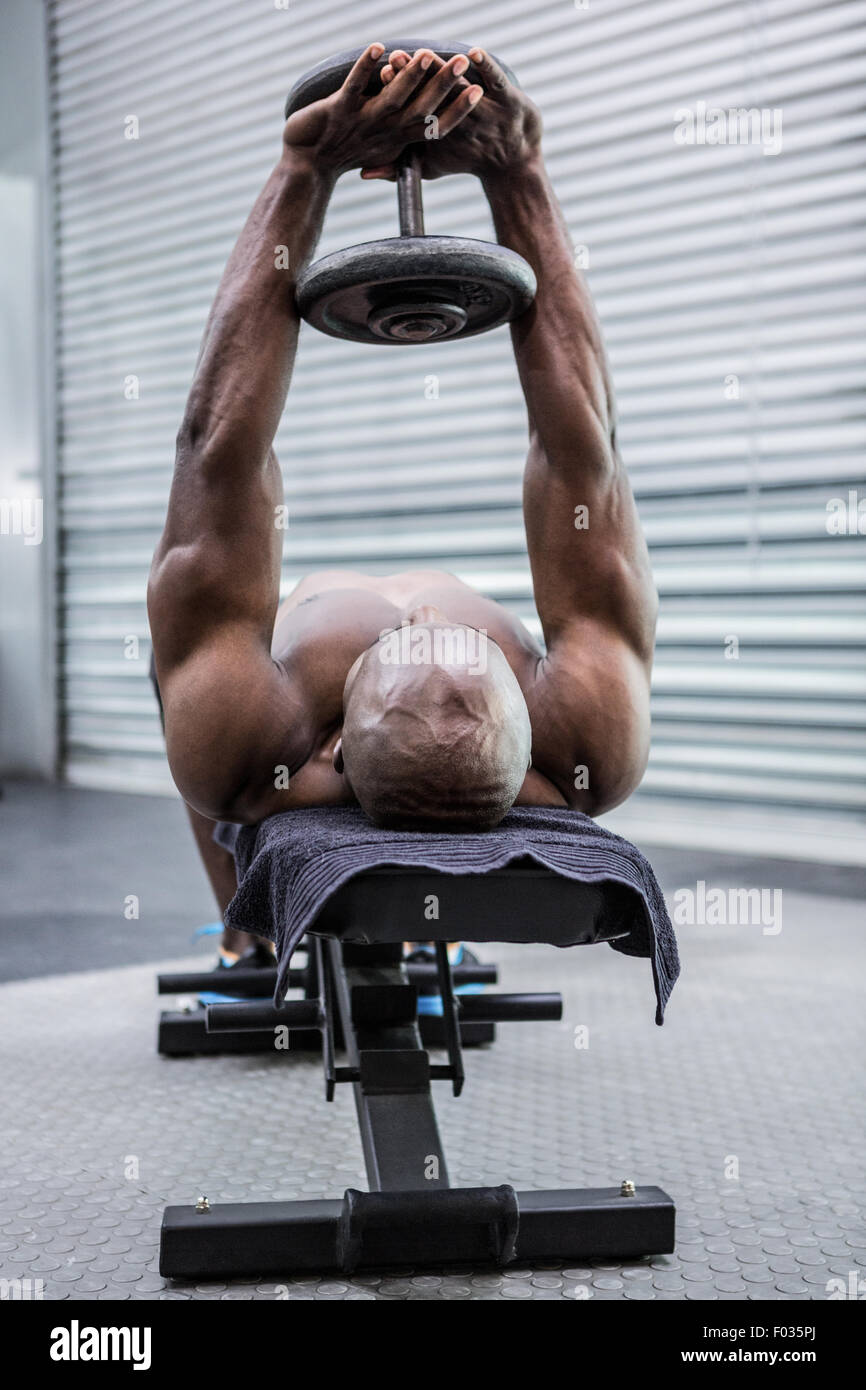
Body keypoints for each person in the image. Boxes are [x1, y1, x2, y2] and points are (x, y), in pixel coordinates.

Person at [147, 43, 657, 967]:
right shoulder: (588, 739)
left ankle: (246, 930)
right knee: (197, 653)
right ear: (525, 731)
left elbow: (219, 450)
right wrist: (517, 172)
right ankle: (322, 927)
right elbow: (585, 454)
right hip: (410, 725)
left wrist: (307, 169)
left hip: (266, 706)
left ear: (331, 754)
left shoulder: (254, 743)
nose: (421, 616)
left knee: (188, 660)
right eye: (441, 632)